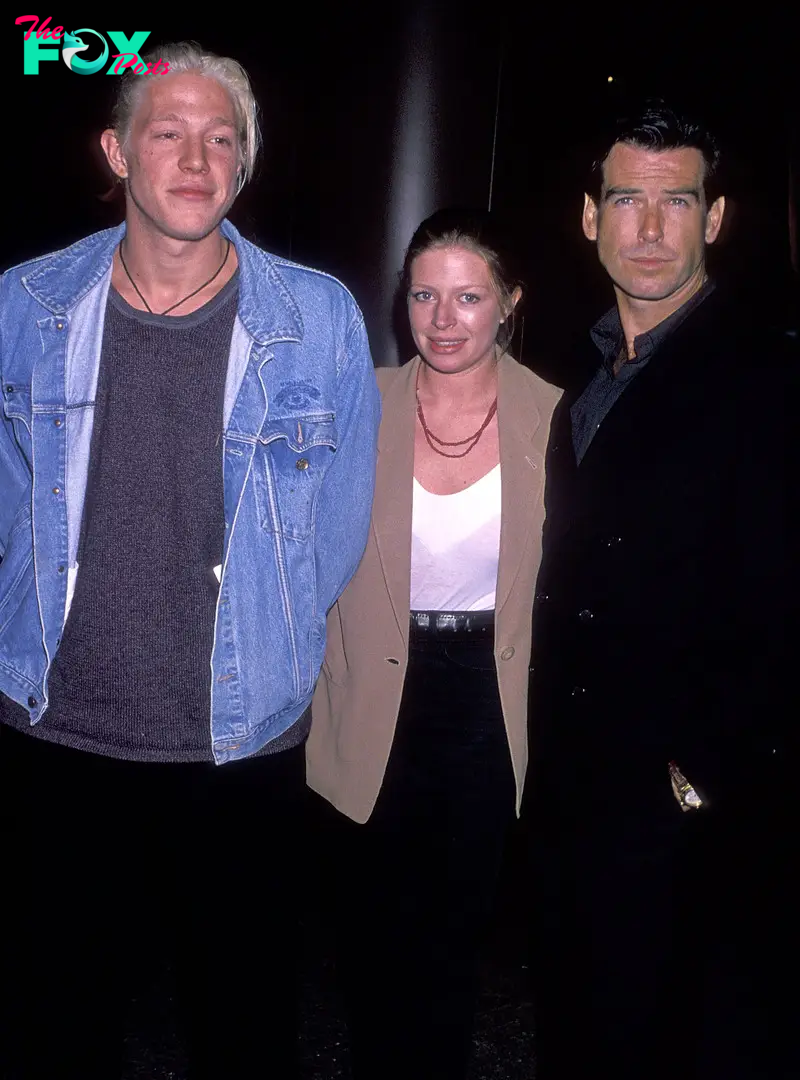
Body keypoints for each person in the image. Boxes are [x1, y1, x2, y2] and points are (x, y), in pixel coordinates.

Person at [0, 42, 379, 1080]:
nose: (195, 158)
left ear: (245, 164)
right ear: (116, 150)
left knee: (245, 1029)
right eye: (167, 131)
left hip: (241, 743)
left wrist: (277, 651)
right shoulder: (25, 305)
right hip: (57, 735)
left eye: (223, 138)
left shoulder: (316, 317)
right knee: (58, 1024)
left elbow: (337, 527)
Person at [526, 98, 795, 1080]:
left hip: (687, 819)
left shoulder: (767, 375)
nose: (646, 229)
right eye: (624, 201)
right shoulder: (579, 374)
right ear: (588, 217)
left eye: (673, 203)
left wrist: (701, 775)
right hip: (570, 801)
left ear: (712, 218)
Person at [306, 208, 561, 1079]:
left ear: (509, 304)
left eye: (468, 297)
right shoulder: (357, 405)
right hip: (372, 693)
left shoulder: (556, 421)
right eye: (424, 295)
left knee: (454, 945)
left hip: (487, 700)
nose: (443, 319)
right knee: (371, 943)